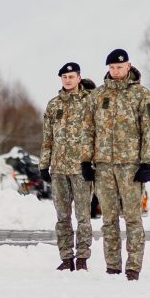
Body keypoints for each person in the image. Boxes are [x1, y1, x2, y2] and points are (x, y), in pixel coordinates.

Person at [88, 48, 150, 281]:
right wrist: (86, 161)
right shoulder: (98, 96)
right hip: (103, 167)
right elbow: (87, 131)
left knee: (132, 218)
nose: (116, 71)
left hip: (131, 166)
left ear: (128, 67)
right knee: (108, 220)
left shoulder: (142, 95)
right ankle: (112, 267)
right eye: (112, 67)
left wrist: (146, 162)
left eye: (119, 67)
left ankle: (133, 268)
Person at [40, 62, 95, 271]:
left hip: (82, 168)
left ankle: (82, 258)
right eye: (64, 77)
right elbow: (47, 137)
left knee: (83, 217)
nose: (68, 80)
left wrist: (92, 163)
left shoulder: (90, 101)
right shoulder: (54, 105)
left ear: (79, 78)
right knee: (62, 217)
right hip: (59, 169)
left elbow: (98, 134)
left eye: (71, 76)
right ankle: (66, 258)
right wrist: (44, 164)